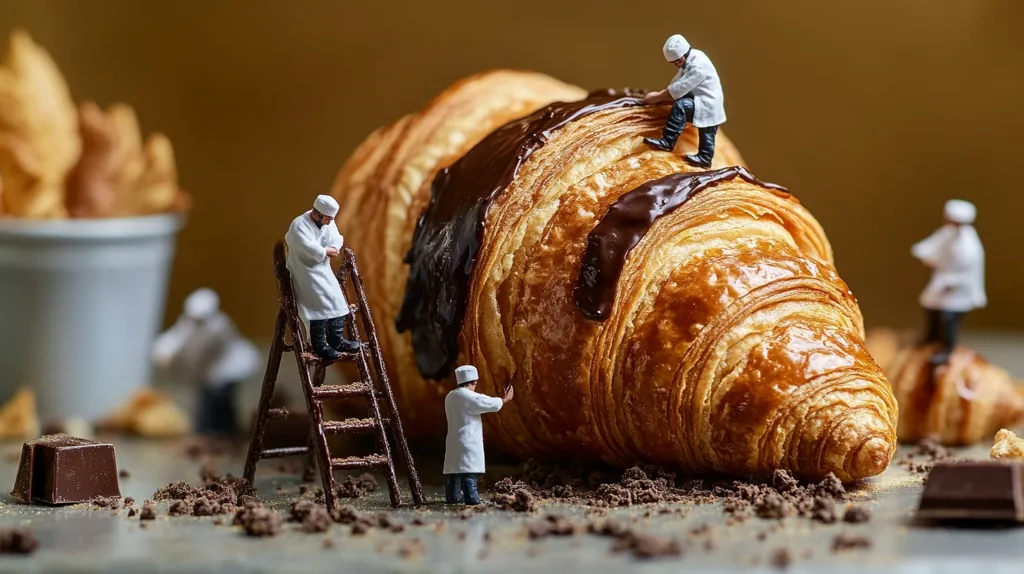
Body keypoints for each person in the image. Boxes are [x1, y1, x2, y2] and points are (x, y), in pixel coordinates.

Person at [151, 288, 261, 436]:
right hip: (211, 373)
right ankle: (215, 431)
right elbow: (178, 336)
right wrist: (164, 350)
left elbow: (200, 354)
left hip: (226, 371)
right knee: (211, 402)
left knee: (218, 403)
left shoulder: (219, 327)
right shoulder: (191, 323)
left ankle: (218, 433)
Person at [284, 195, 360, 360]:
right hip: (304, 271)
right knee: (317, 303)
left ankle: (336, 340)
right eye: (327, 219)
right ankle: (319, 345)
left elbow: (336, 237)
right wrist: (324, 252)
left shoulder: (328, 222)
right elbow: (304, 245)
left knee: (337, 300)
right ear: (317, 215)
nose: (329, 222)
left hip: (323, 269)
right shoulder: (299, 225)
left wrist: (334, 246)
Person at [911, 199, 986, 365]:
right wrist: (921, 250)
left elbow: (966, 269)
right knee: (930, 308)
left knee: (948, 318)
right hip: (942, 284)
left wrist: (951, 282)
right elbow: (933, 246)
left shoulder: (968, 244)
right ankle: (931, 337)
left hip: (958, 290)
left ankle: (947, 348)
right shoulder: (947, 233)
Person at [642, 33, 726, 168]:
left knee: (700, 125)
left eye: (678, 61)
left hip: (708, 104)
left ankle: (669, 142)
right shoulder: (690, 60)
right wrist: (665, 96)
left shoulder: (699, 64)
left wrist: (657, 96)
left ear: (685, 54)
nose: (677, 65)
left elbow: (682, 86)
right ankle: (702, 156)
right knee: (706, 131)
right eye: (674, 63)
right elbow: (677, 80)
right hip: (700, 100)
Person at [443, 365, 514, 505]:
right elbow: (487, 403)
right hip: (467, 441)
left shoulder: (450, 396)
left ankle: (452, 497)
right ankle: (472, 499)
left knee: (454, 471)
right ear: (473, 382)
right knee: (469, 473)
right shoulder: (468, 396)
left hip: (453, 441)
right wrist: (505, 399)